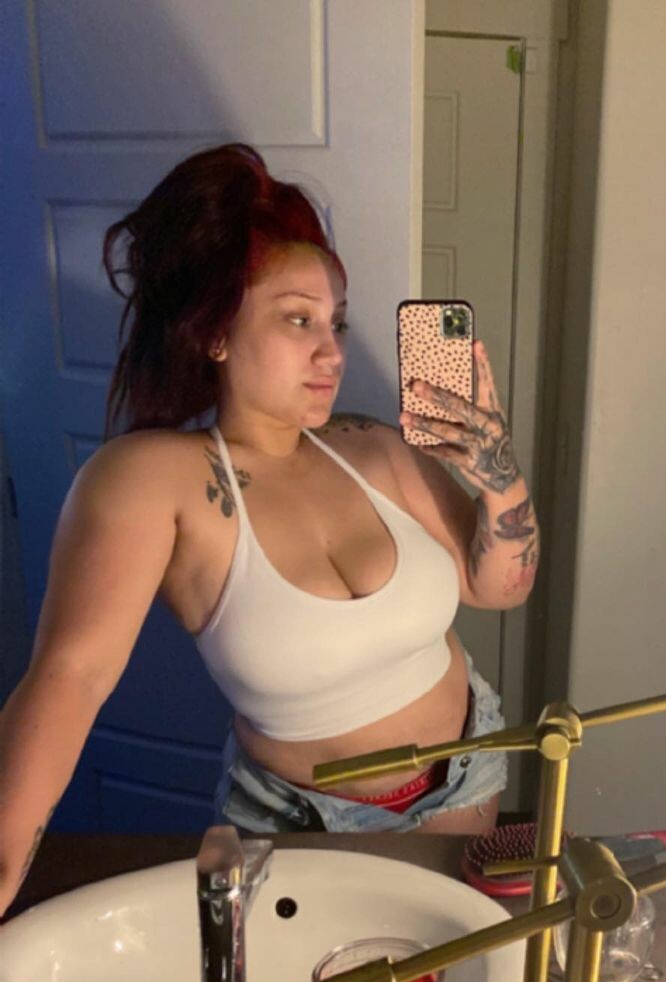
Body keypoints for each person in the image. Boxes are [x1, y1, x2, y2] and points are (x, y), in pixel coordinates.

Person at [0, 143, 538, 918]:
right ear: (215, 331)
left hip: (467, 774)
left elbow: (499, 588)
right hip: (300, 823)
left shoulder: (377, 447)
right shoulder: (152, 479)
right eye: (298, 319)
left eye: (337, 322)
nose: (332, 352)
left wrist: (499, 476)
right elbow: (70, 677)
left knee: (440, 973)